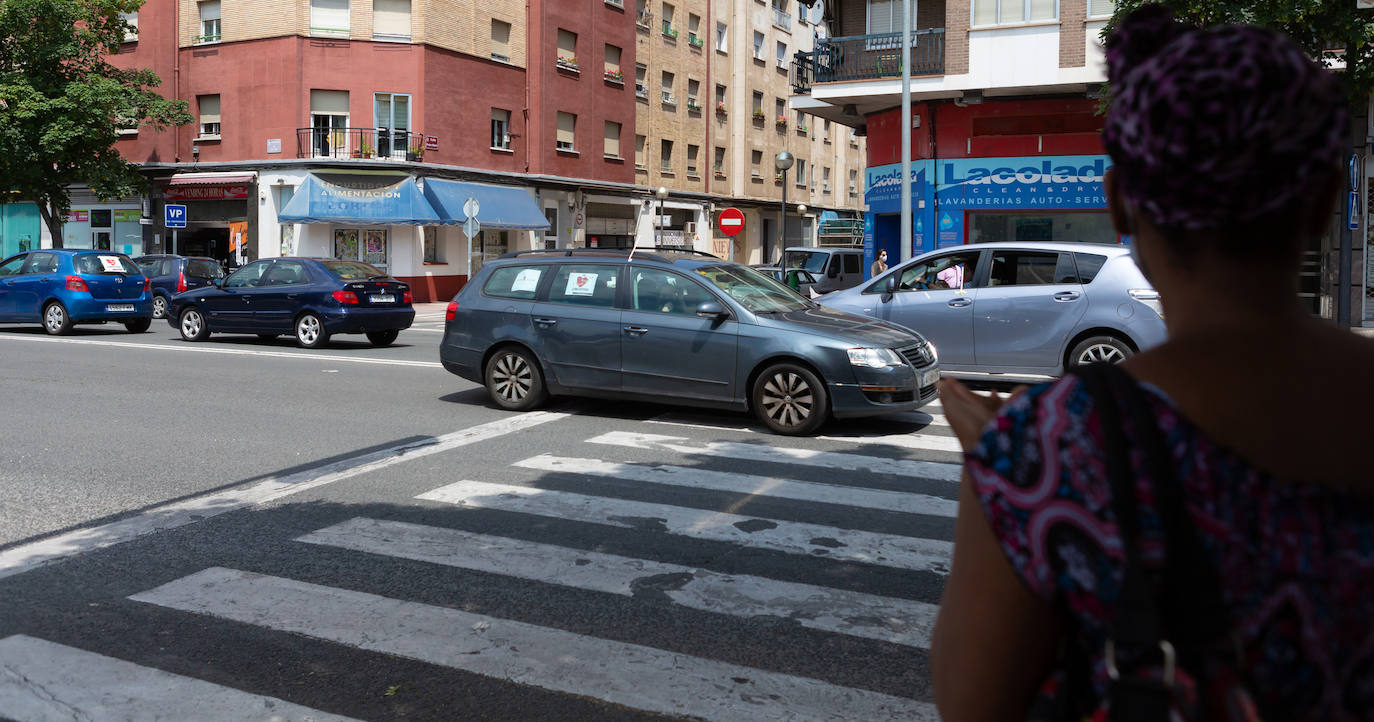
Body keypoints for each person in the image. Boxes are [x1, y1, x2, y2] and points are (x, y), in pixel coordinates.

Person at [929, 6, 1374, 721]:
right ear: (1324, 199)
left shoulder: (1050, 448)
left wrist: (995, 467)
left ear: (1121, 206)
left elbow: (971, 704)